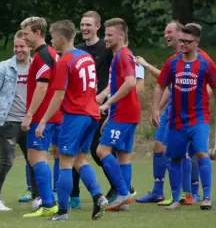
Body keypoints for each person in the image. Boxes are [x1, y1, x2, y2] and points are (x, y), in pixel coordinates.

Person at [35, 20, 108, 221]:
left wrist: (43, 121)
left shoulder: (65, 61)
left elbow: (58, 95)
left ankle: (63, 211)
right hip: (92, 114)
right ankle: (98, 196)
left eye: (52, 37)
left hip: (76, 115)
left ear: (60, 39)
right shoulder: (86, 57)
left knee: (65, 162)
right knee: (80, 159)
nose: (51, 41)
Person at [153, 23, 215, 210]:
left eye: (187, 42)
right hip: (176, 120)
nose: (183, 45)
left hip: (199, 118)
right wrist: (155, 109)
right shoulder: (172, 63)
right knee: (175, 158)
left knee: (201, 152)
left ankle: (207, 197)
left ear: (196, 42)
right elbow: (160, 86)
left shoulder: (206, 64)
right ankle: (176, 198)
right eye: (181, 41)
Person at [0, 30, 36, 211]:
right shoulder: (4, 67)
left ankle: (38, 197)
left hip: (29, 121)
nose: (18, 50)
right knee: (7, 161)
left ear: (30, 46)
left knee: (34, 161)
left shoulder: (37, 66)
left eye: (22, 46)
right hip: (8, 121)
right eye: (16, 46)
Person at [136, 21, 186, 204]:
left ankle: (184, 193)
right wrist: (158, 108)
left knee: (178, 152)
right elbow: (169, 86)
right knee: (158, 147)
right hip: (170, 109)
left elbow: (167, 79)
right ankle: (158, 191)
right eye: (165, 32)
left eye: (170, 32)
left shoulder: (186, 56)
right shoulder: (174, 57)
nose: (166, 35)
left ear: (180, 33)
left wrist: (146, 65)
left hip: (183, 111)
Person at [92, 18, 139, 211]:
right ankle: (123, 201)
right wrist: (111, 115)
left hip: (124, 113)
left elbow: (130, 82)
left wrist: (107, 105)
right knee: (123, 155)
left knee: (101, 151)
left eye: (110, 35)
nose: (106, 39)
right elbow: (119, 85)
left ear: (121, 36)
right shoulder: (118, 56)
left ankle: (122, 192)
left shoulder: (123, 55)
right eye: (105, 35)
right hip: (123, 113)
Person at [18, 16, 60, 218]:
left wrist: (30, 115)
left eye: (26, 33)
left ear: (38, 33)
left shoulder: (43, 54)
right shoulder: (49, 53)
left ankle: (48, 202)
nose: (24, 37)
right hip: (51, 113)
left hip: (43, 114)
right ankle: (50, 200)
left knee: (36, 157)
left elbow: (42, 87)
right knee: (42, 157)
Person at [70, 11, 112, 209]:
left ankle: (120, 187)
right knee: (73, 151)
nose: (85, 28)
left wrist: (103, 97)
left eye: (88, 25)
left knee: (97, 151)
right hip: (80, 108)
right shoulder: (77, 50)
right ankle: (74, 196)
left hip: (100, 107)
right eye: (82, 24)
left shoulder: (106, 48)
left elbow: (116, 77)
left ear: (98, 26)